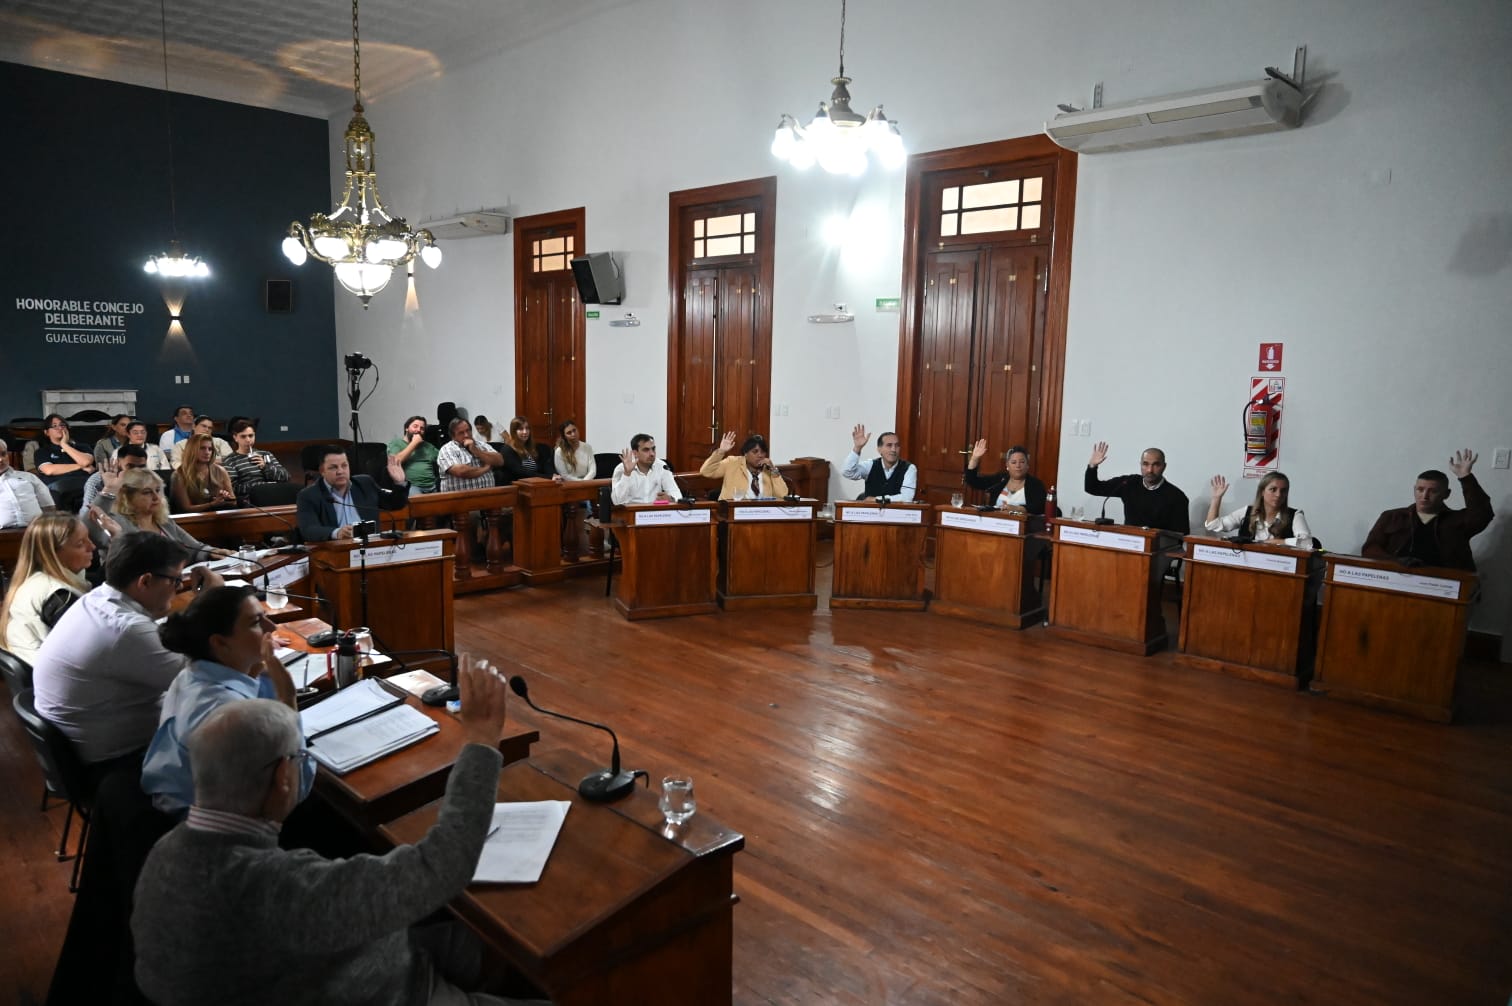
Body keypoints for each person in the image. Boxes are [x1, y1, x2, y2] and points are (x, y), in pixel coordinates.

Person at [131, 657, 546, 1006]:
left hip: (349, 962)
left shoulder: (162, 855)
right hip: (394, 990)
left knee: (493, 947)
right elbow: (442, 865)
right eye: (300, 758)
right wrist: (482, 740)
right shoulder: (281, 889)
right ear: (283, 778)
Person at [32, 533, 223, 773]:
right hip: (116, 761)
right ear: (145, 581)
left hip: (81, 740)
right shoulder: (126, 630)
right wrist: (213, 602)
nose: (178, 588)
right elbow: (205, 678)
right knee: (234, 724)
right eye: (175, 580)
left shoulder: (95, 599)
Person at [141, 586, 307, 817]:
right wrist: (288, 699)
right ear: (219, 643)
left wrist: (252, 670)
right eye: (256, 622)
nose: (271, 628)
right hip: (212, 821)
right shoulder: (227, 713)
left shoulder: (192, 673)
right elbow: (292, 789)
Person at [1362, 450, 1492, 571]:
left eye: (1433, 491)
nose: (1424, 496)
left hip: (1444, 582)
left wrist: (1465, 477)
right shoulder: (1392, 517)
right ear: (1414, 490)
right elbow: (1370, 549)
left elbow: (1482, 514)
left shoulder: (1458, 520)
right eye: (1420, 489)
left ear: (1446, 494)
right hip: (1397, 578)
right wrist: (1395, 562)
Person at [0, 512, 93, 665]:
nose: (92, 546)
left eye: (88, 538)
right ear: (53, 553)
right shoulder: (60, 596)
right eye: (80, 544)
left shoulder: (34, 580)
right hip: (53, 675)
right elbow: (92, 650)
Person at [94, 468, 214, 561]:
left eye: (157, 490)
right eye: (147, 492)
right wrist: (108, 490)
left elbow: (196, 549)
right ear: (127, 497)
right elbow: (91, 526)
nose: (156, 497)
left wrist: (213, 552)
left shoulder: (165, 522)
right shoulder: (116, 523)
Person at [296, 447, 409, 541]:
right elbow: (308, 529)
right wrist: (337, 533)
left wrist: (399, 483)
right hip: (337, 551)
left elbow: (394, 504)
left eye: (344, 465)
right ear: (322, 471)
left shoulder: (365, 483)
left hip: (370, 547)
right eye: (333, 467)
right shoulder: (308, 495)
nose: (340, 471)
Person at [1083, 441, 1190, 533]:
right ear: (1140, 465)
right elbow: (1092, 488)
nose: (1150, 470)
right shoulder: (1128, 483)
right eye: (1145, 464)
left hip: (1157, 548)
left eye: (1156, 465)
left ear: (1164, 466)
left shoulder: (1177, 497)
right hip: (1128, 543)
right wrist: (1092, 466)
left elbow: (1180, 535)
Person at [1204, 471, 1313, 549]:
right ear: (1262, 492)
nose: (1278, 495)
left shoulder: (1295, 515)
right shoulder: (1247, 511)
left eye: (1283, 491)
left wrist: (1279, 542)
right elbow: (1212, 525)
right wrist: (1216, 498)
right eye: (1273, 489)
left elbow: (1307, 543)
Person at [32, 413, 96, 514]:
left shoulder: (83, 447)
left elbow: (86, 461)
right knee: (61, 488)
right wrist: (80, 466)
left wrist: (64, 445)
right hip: (59, 486)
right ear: (46, 432)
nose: (59, 428)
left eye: (62, 425)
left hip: (85, 484)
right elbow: (49, 470)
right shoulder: (42, 452)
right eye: (54, 426)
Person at [964, 440, 1050, 512]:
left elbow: (1040, 507)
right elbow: (972, 481)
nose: (1018, 466)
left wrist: (1017, 508)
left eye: (1022, 462)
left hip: (1022, 525)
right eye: (1013, 462)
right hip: (995, 522)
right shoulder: (1000, 479)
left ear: (1027, 465)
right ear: (1007, 465)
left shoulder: (1035, 484)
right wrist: (974, 458)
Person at [700, 431, 788, 500]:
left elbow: (782, 495)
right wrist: (721, 451)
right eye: (755, 452)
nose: (760, 455)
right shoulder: (732, 463)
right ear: (745, 453)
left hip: (762, 513)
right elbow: (706, 471)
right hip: (734, 512)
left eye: (763, 452)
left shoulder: (769, 469)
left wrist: (773, 470)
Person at [222, 419, 289, 505]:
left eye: (251, 436)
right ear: (235, 438)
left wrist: (265, 467)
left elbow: (285, 476)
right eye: (243, 436)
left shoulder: (265, 454)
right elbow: (233, 488)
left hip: (273, 493)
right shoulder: (230, 460)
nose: (248, 440)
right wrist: (260, 486)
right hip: (251, 498)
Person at [841, 425, 916, 501]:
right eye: (889, 445)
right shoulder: (870, 465)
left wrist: (876, 499)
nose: (893, 449)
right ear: (879, 450)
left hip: (896, 509)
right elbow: (847, 472)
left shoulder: (909, 468)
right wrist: (857, 448)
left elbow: (907, 498)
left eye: (897, 445)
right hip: (870, 509)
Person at [171, 433, 238, 513]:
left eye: (210, 449)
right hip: (192, 519)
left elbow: (234, 501)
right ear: (192, 450)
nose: (207, 452)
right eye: (202, 448)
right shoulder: (179, 475)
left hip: (218, 516)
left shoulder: (221, 471)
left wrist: (225, 498)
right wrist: (212, 504)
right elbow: (186, 508)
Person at [611, 434, 683, 504]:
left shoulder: (662, 466)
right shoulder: (622, 468)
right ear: (635, 453)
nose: (652, 454)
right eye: (646, 450)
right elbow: (617, 501)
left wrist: (672, 499)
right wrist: (627, 474)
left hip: (655, 510)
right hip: (632, 511)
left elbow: (676, 493)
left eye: (653, 449)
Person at [0, 437, 56, 528]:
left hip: (35, 530)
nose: (1, 459)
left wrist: (48, 529)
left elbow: (49, 507)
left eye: (3, 454)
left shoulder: (29, 477)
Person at [437, 417, 504, 492]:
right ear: (453, 436)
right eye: (461, 433)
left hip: (488, 495)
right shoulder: (447, 449)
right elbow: (462, 472)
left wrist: (476, 451)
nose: (466, 435)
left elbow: (500, 461)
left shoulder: (482, 445)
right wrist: (485, 469)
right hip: (460, 497)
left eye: (468, 430)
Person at [80, 444, 149, 514]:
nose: (136, 471)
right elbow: (85, 514)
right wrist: (109, 489)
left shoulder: (149, 479)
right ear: (118, 463)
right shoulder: (98, 481)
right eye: (130, 466)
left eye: (141, 467)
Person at [498, 416, 559, 486]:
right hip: (516, 486)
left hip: (535, 484)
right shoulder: (507, 449)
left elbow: (545, 465)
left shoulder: (535, 447)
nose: (525, 432)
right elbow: (521, 472)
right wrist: (548, 477)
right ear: (514, 431)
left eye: (527, 428)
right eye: (521, 429)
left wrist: (553, 475)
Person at [388, 415, 439, 496]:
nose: (418, 430)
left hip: (432, 486)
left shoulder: (427, 446)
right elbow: (395, 462)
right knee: (419, 502)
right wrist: (414, 443)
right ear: (406, 428)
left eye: (422, 428)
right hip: (412, 486)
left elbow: (442, 458)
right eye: (415, 426)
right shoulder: (396, 443)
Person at [169, 415, 233, 466]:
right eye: (204, 426)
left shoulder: (220, 442)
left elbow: (231, 460)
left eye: (210, 428)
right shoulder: (180, 445)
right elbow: (176, 464)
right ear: (194, 426)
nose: (207, 429)